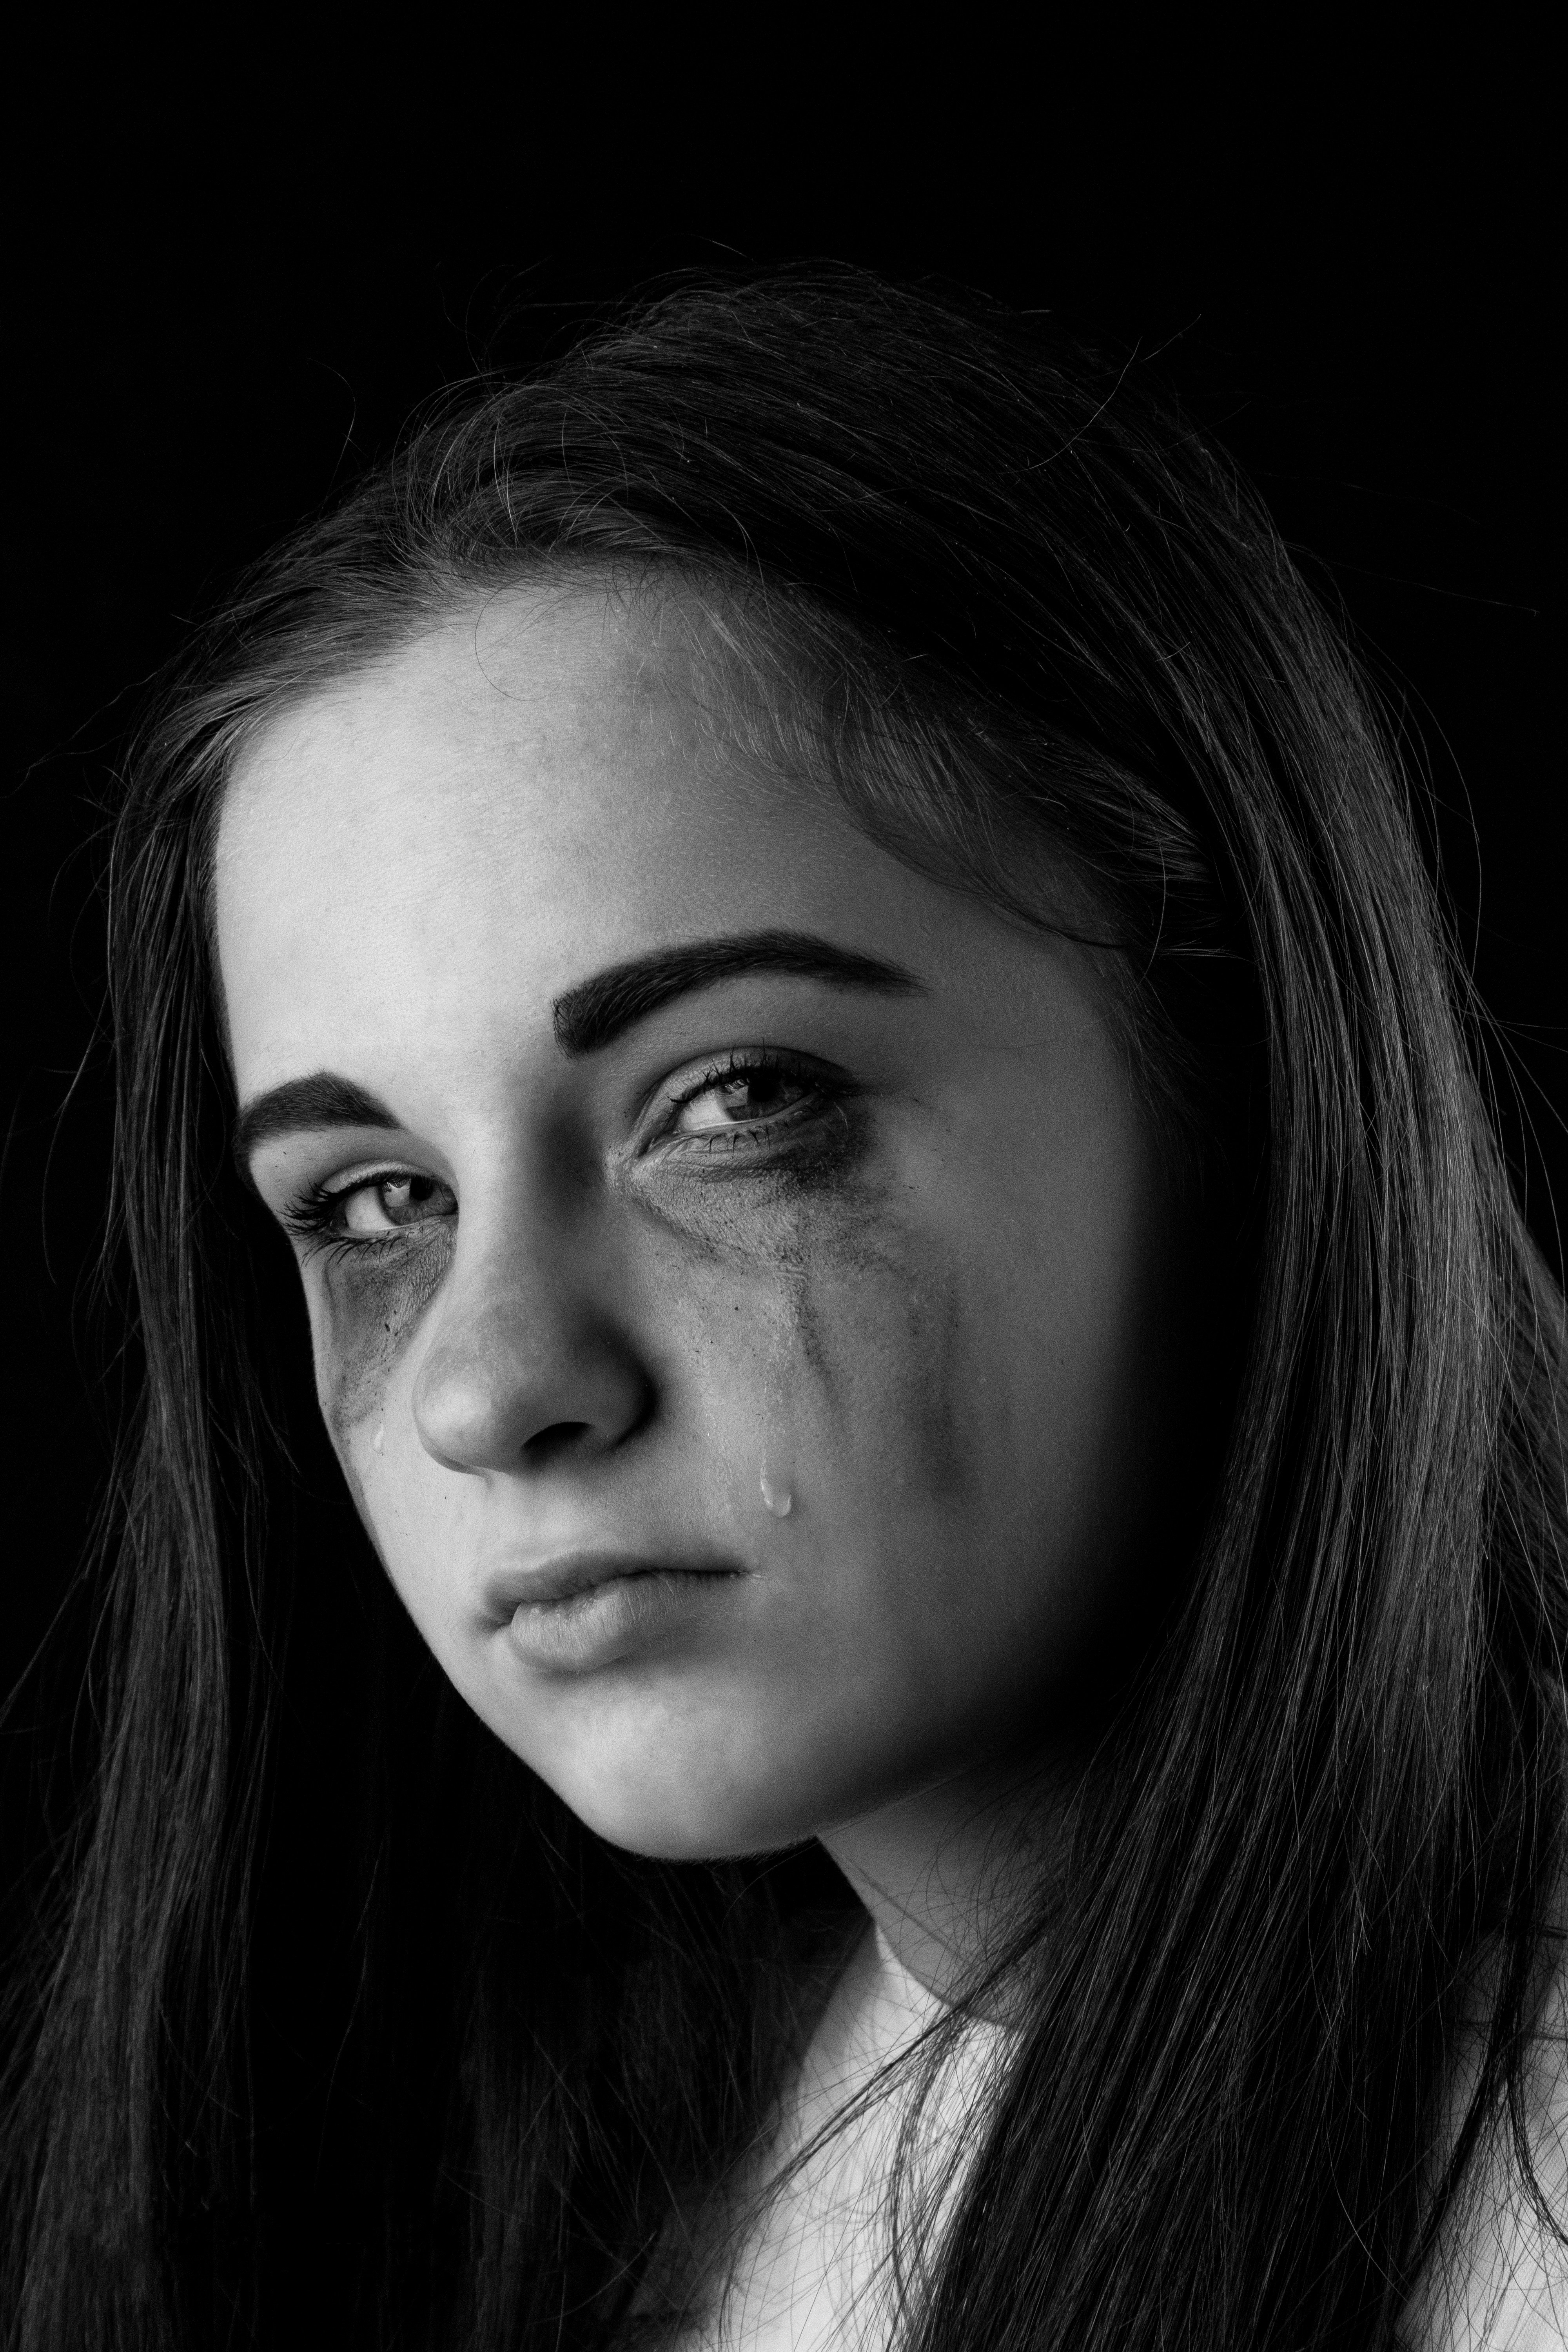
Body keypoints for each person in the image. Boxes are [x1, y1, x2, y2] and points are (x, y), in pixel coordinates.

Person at [2, 269, 1564, 2352]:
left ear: (1254, 1079)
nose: (489, 1384)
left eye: (738, 1102)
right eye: (374, 1201)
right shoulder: (576, 2156)